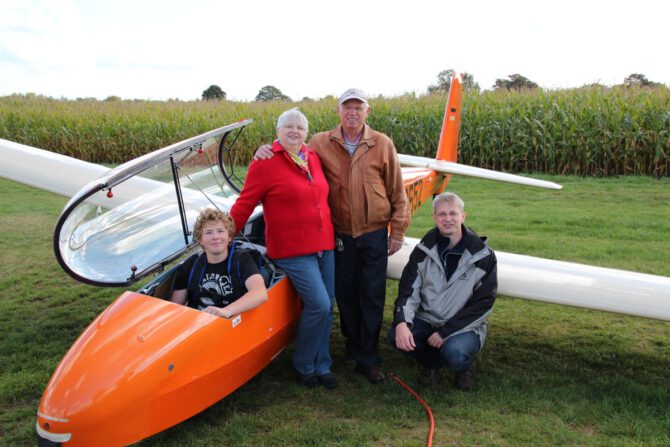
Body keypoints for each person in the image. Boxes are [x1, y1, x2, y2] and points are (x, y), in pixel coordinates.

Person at [255, 89, 409, 384]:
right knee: (345, 294)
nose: (353, 113)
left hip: (374, 231)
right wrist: (265, 149)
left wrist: (397, 230)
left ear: (368, 111)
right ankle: (353, 345)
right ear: (338, 111)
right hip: (338, 236)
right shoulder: (320, 143)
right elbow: (291, 151)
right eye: (347, 107)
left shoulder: (382, 144)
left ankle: (369, 357)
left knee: (372, 295)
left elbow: (397, 190)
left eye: (358, 108)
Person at [230, 108, 338, 389]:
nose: (295, 131)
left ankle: (322, 365)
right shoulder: (264, 162)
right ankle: (303, 363)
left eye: (300, 127)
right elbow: (245, 203)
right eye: (288, 126)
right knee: (319, 304)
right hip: (291, 249)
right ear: (277, 131)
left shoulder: (312, 157)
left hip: (324, 245)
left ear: (306, 133)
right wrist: (223, 234)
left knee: (328, 308)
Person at [388, 192, 497, 390]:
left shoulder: (482, 256)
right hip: (429, 318)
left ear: (463, 216)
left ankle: (462, 368)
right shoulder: (423, 251)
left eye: (453, 214)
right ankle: (431, 364)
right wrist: (402, 322)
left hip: (464, 326)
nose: (448, 219)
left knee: (454, 353)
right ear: (434, 218)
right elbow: (407, 292)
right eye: (442, 214)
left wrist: (446, 332)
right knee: (395, 335)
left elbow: (484, 303)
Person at [170, 208, 268, 319]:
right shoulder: (190, 265)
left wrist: (226, 311)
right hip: (197, 323)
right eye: (208, 232)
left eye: (220, 231)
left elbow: (260, 293)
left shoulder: (242, 259)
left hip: (229, 320)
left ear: (229, 237)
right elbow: (175, 308)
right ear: (200, 240)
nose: (215, 237)